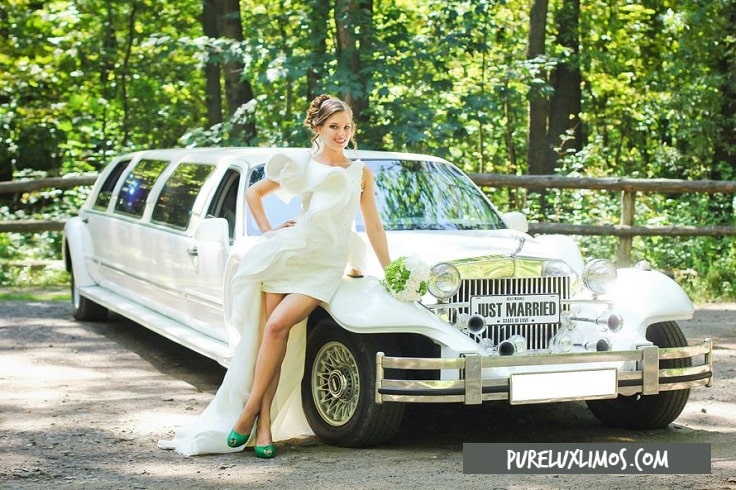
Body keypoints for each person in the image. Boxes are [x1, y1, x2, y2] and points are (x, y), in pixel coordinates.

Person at [158, 94, 391, 457]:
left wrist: (390, 270)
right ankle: (263, 427)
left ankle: (247, 412)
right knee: (276, 341)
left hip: (324, 265)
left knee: (277, 326)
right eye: (334, 127)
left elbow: (373, 225)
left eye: (347, 127)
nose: (341, 133)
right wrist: (270, 232)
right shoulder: (302, 165)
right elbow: (255, 193)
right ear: (317, 127)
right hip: (286, 255)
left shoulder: (360, 171)